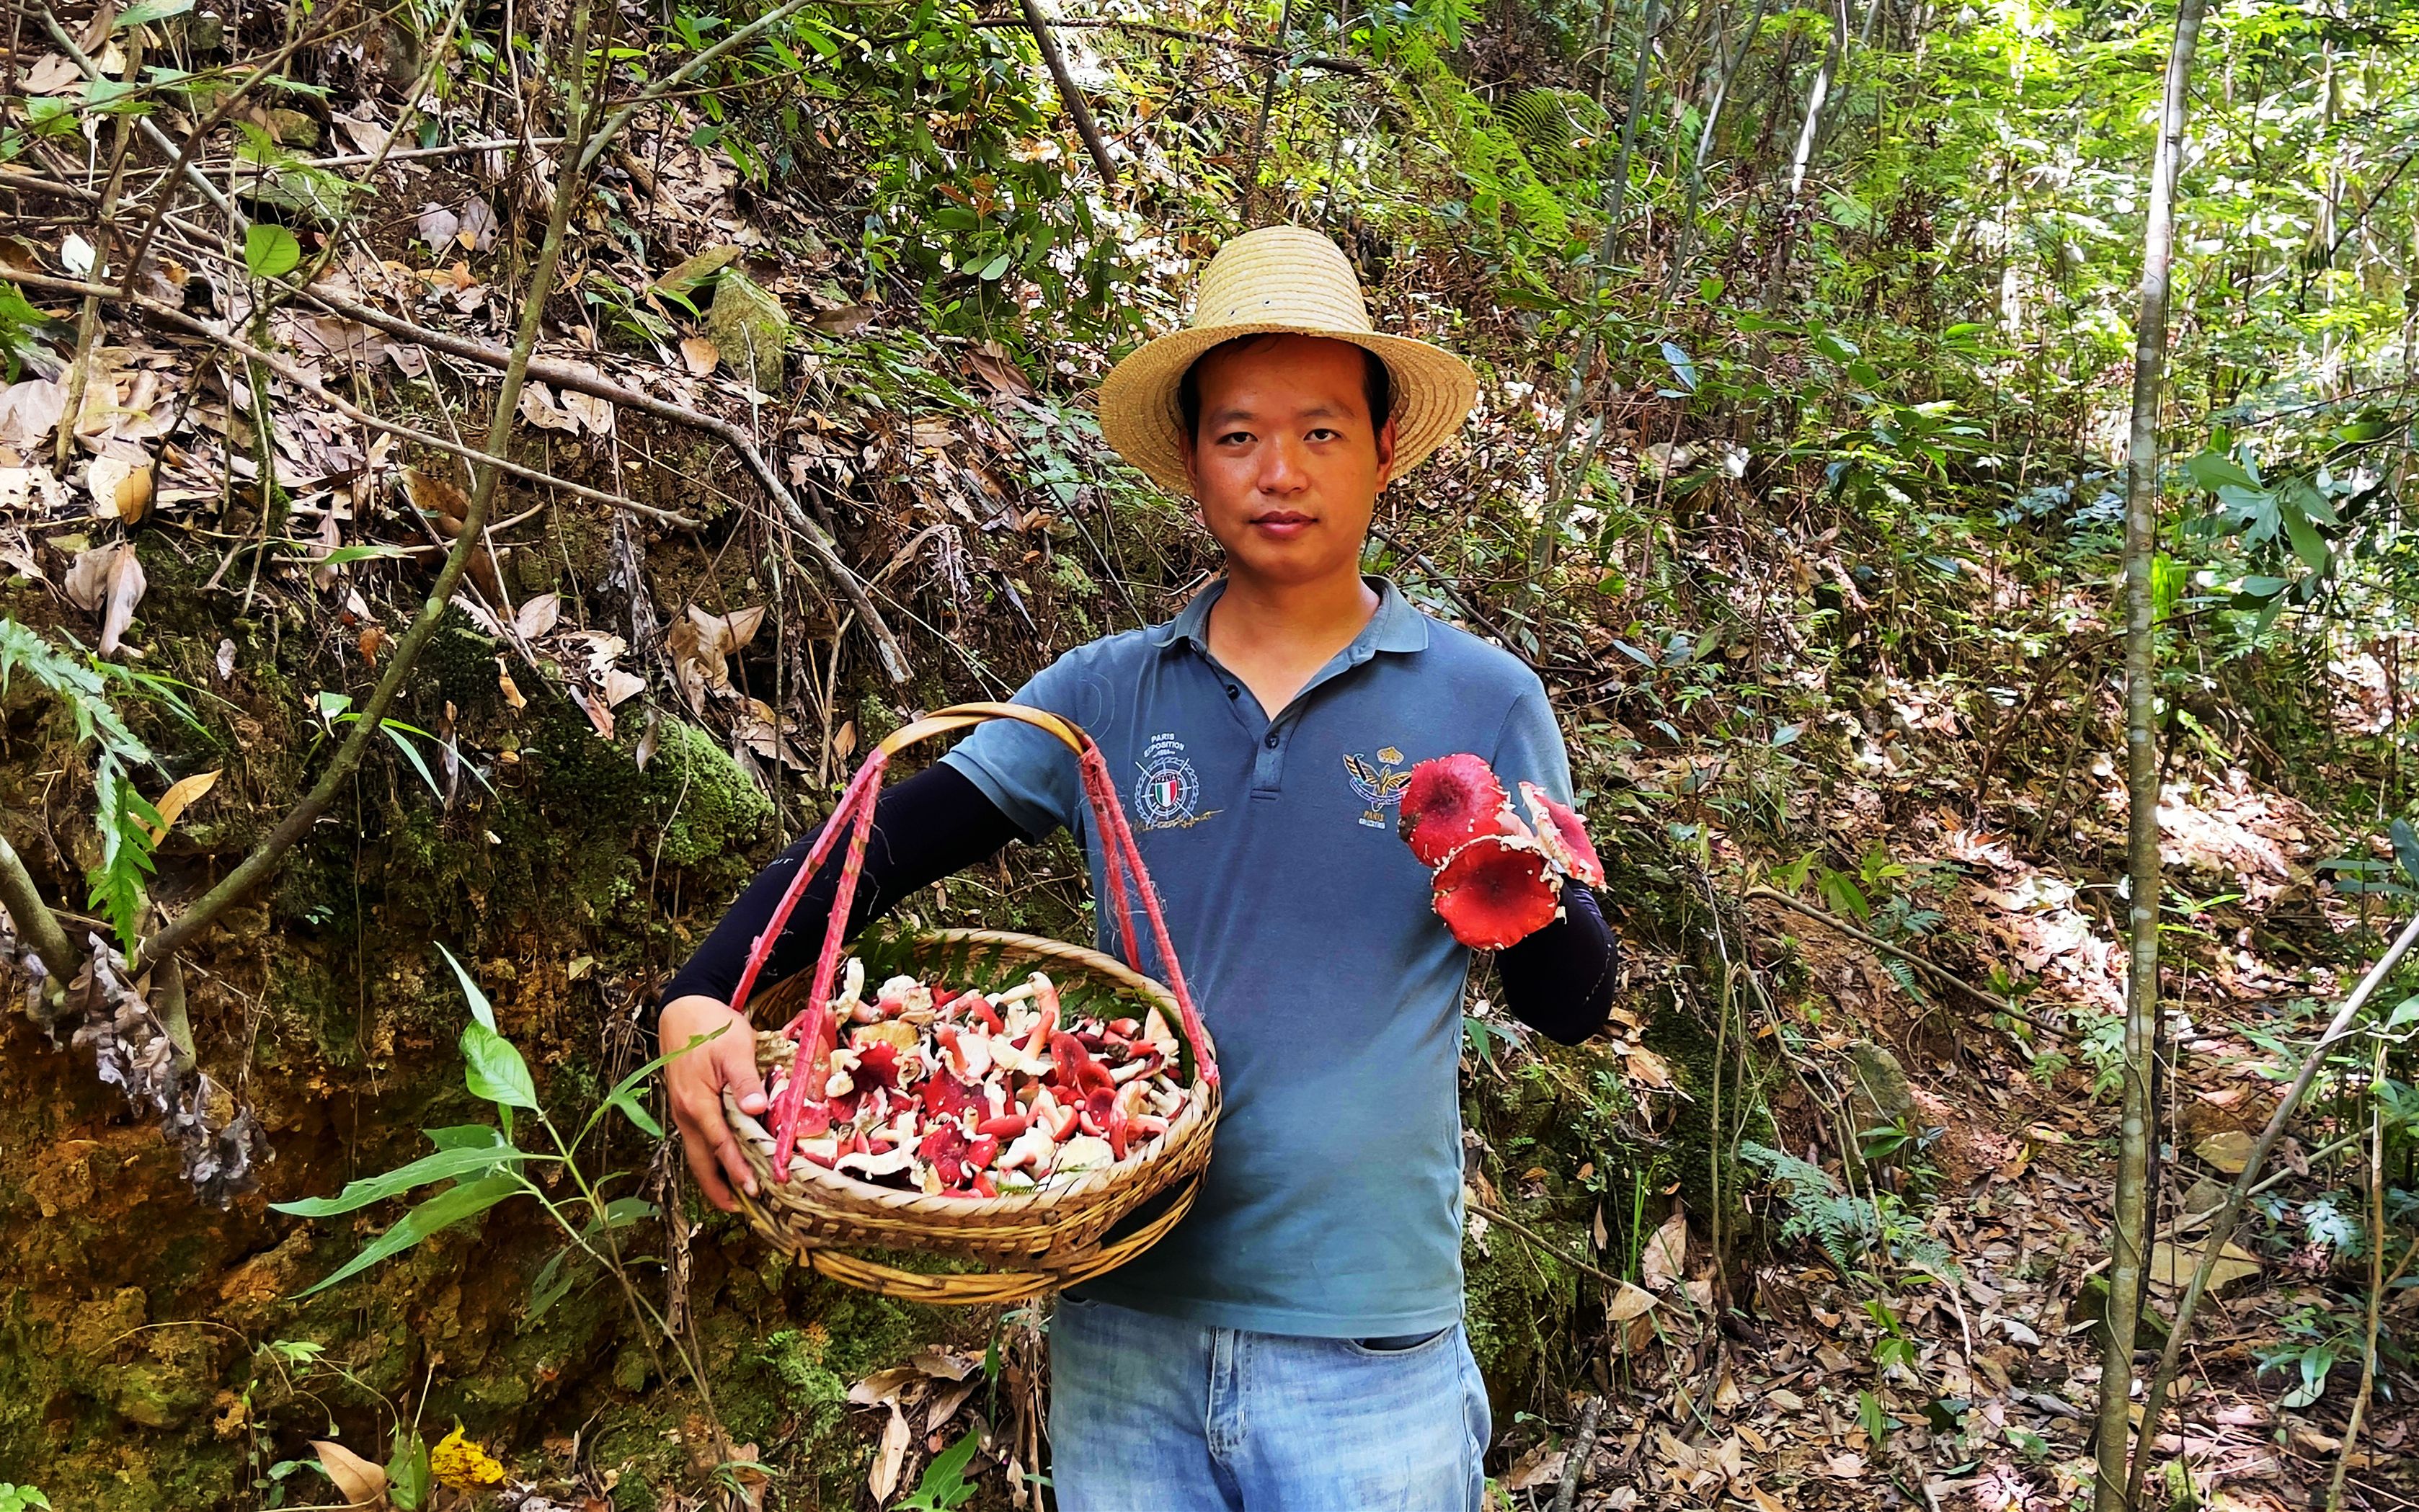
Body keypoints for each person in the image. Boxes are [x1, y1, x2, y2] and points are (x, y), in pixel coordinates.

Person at [659, 226, 1615, 1511]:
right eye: (1238, 435)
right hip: (1124, 1325)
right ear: (1193, 462)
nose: (1279, 470)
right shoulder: (1108, 696)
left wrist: (1507, 863)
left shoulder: (1481, 697)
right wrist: (707, 990)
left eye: (1322, 431)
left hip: (1367, 1349)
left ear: (1387, 448)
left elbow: (1575, 1003)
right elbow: (890, 837)